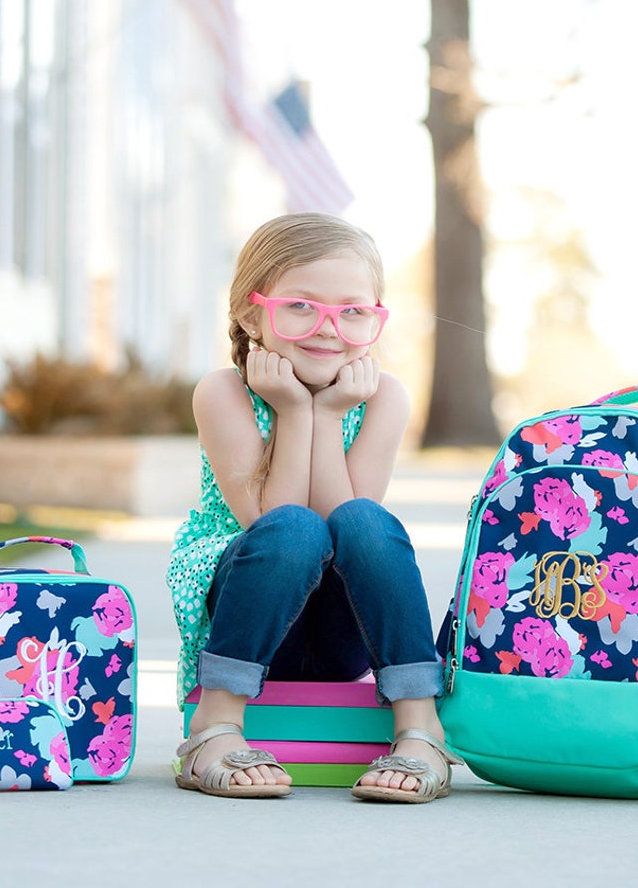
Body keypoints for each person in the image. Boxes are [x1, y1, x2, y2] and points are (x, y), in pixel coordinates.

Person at [165, 212, 461, 803]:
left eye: (353, 311)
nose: (329, 329)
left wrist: (326, 414)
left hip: (336, 626)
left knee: (365, 522)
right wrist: (296, 411)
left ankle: (419, 727)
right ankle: (215, 724)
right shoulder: (223, 393)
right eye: (300, 306)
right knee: (294, 530)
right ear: (253, 314)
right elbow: (270, 526)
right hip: (248, 610)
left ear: (375, 318)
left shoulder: (383, 398)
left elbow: (341, 523)